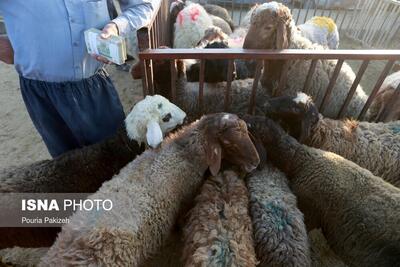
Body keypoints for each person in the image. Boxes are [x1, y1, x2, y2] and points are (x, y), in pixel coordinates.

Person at [0, 0, 153, 157]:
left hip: (95, 87)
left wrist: (117, 26)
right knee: (69, 169)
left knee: (120, 158)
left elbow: (143, 6)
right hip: (42, 93)